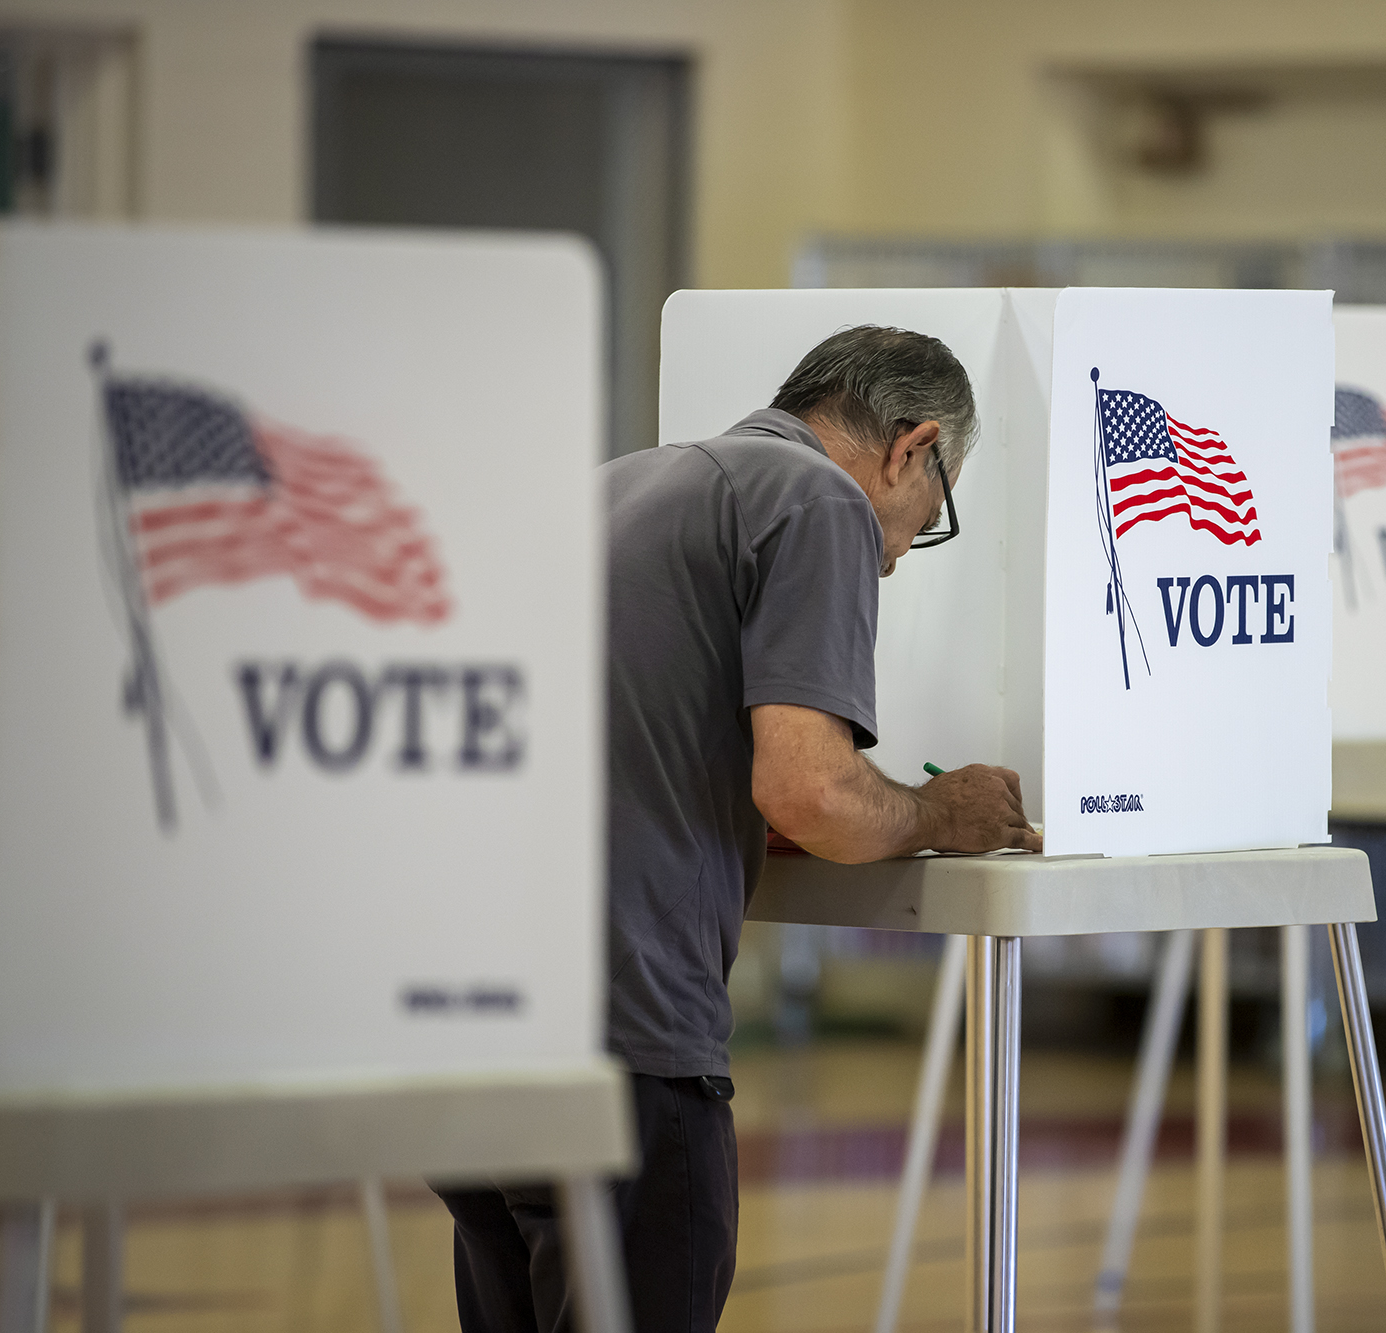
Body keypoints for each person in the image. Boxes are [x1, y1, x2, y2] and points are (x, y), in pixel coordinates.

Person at [433, 325, 1042, 1332]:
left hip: (472, 1033)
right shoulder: (816, 503)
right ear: (910, 446)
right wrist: (942, 810)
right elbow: (812, 793)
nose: (894, 560)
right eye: (924, 518)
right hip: (624, 1040)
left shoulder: (622, 483)